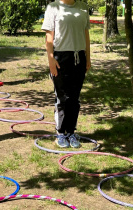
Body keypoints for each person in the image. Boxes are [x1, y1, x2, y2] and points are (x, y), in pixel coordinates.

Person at [41, 0, 91, 148]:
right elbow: (49, 38)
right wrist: (51, 60)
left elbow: (86, 34)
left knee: (75, 97)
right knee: (63, 97)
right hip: (61, 58)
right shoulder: (53, 7)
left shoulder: (83, 7)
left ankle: (71, 132)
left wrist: (88, 58)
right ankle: (60, 133)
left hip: (79, 57)